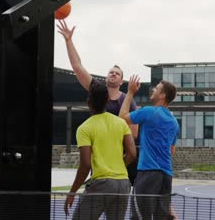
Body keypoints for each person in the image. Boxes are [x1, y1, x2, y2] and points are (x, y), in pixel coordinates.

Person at [57, 20, 139, 184]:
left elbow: (134, 134)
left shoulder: (127, 100)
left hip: (119, 159)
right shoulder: (97, 90)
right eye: (111, 72)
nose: (113, 74)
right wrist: (68, 40)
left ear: (122, 80)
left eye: (117, 73)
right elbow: (77, 66)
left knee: (118, 203)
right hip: (99, 159)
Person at [64, 81, 137, 219]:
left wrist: (72, 192)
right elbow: (132, 154)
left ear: (88, 102)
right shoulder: (121, 123)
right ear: (108, 100)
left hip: (101, 184)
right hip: (123, 183)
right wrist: (117, 167)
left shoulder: (84, 128)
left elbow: (85, 166)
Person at [119, 75, 179, 220]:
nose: (153, 89)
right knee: (162, 217)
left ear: (162, 95)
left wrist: (131, 93)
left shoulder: (149, 111)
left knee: (139, 216)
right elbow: (171, 151)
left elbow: (122, 117)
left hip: (148, 172)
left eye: (157, 88)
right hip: (166, 175)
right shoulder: (174, 122)